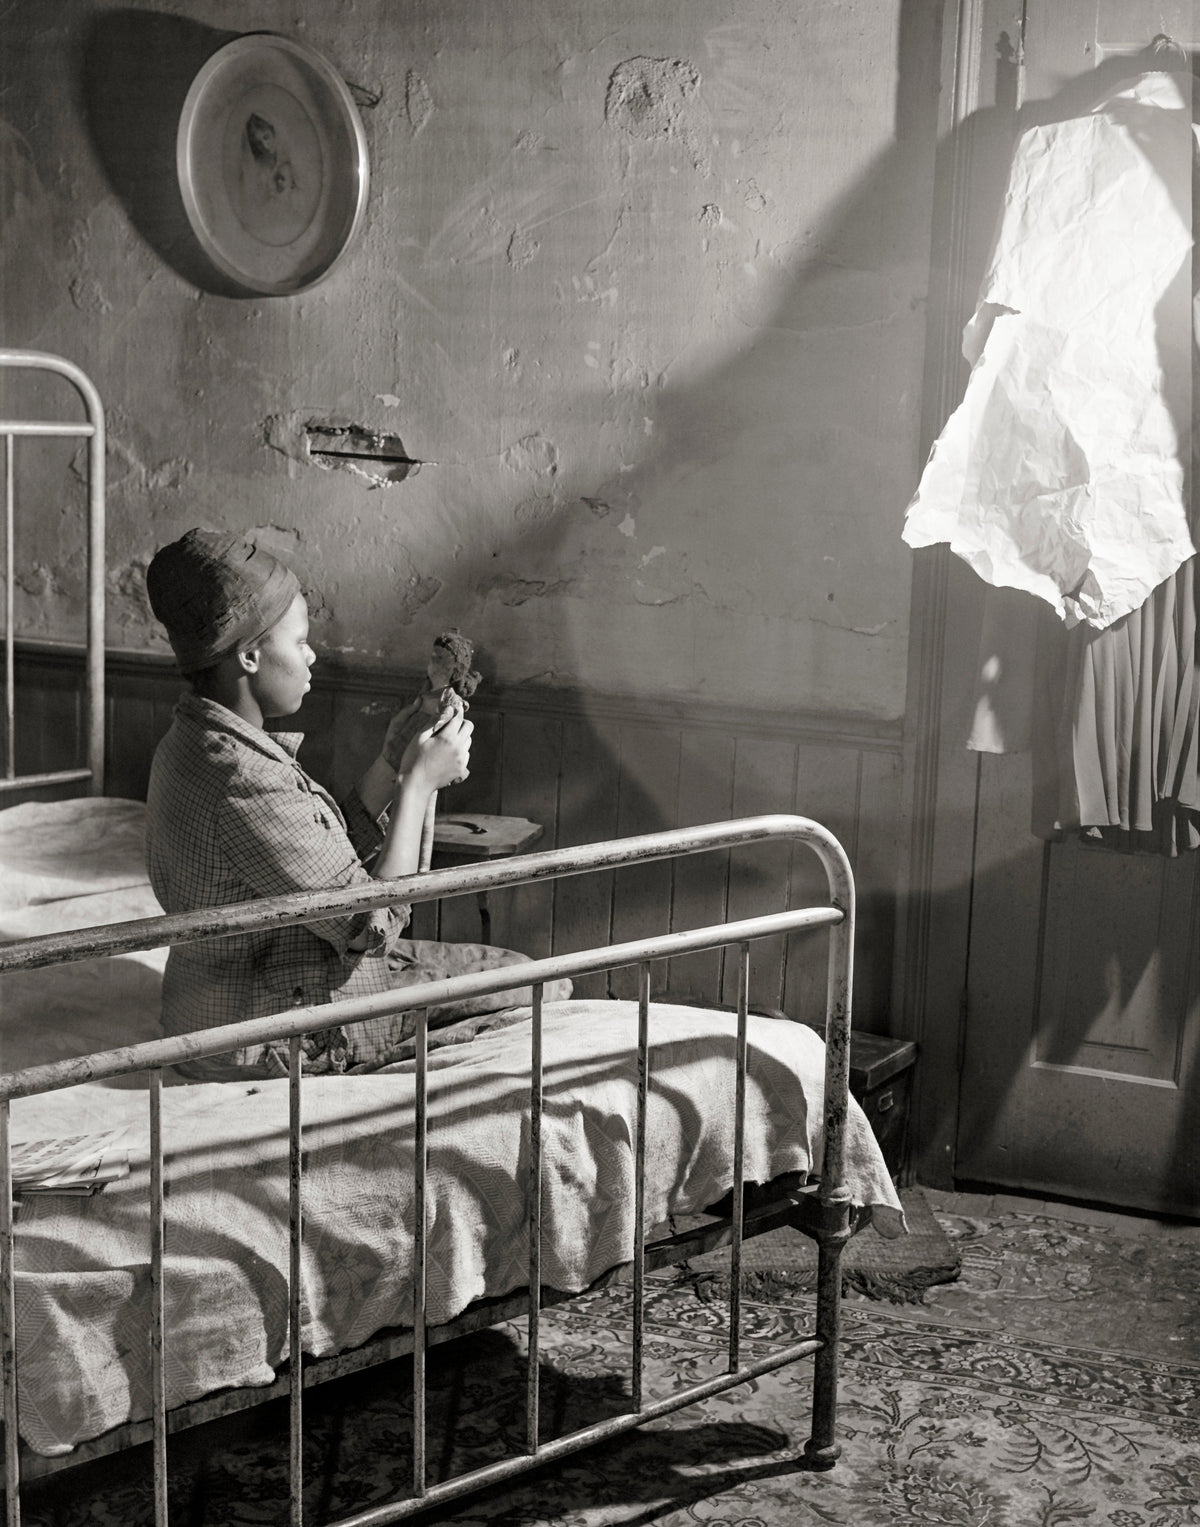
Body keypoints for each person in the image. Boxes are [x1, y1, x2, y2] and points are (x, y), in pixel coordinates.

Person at [144, 527, 555, 1079]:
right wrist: (418, 787)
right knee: (544, 989)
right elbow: (370, 923)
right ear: (248, 656)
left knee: (524, 974)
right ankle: (379, 1077)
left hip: (236, 995)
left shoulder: (195, 741)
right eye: (299, 643)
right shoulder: (242, 780)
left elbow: (312, 868)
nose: (312, 657)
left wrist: (389, 766)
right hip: (276, 1032)